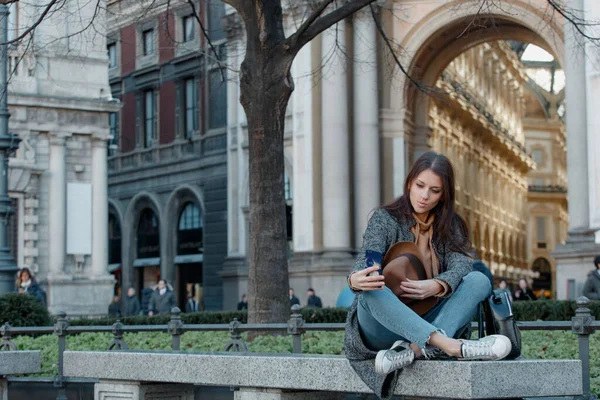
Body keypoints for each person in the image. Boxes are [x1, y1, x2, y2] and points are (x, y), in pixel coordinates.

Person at [344, 151, 512, 398]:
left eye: (434, 190)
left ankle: (415, 348)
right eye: (420, 186)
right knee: (369, 291)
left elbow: (461, 265)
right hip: (383, 325)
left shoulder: (451, 225)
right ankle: (450, 346)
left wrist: (437, 284)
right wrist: (355, 278)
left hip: (430, 315)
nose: (424, 196)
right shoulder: (384, 219)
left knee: (479, 279)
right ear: (410, 182)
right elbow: (369, 260)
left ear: (444, 194)